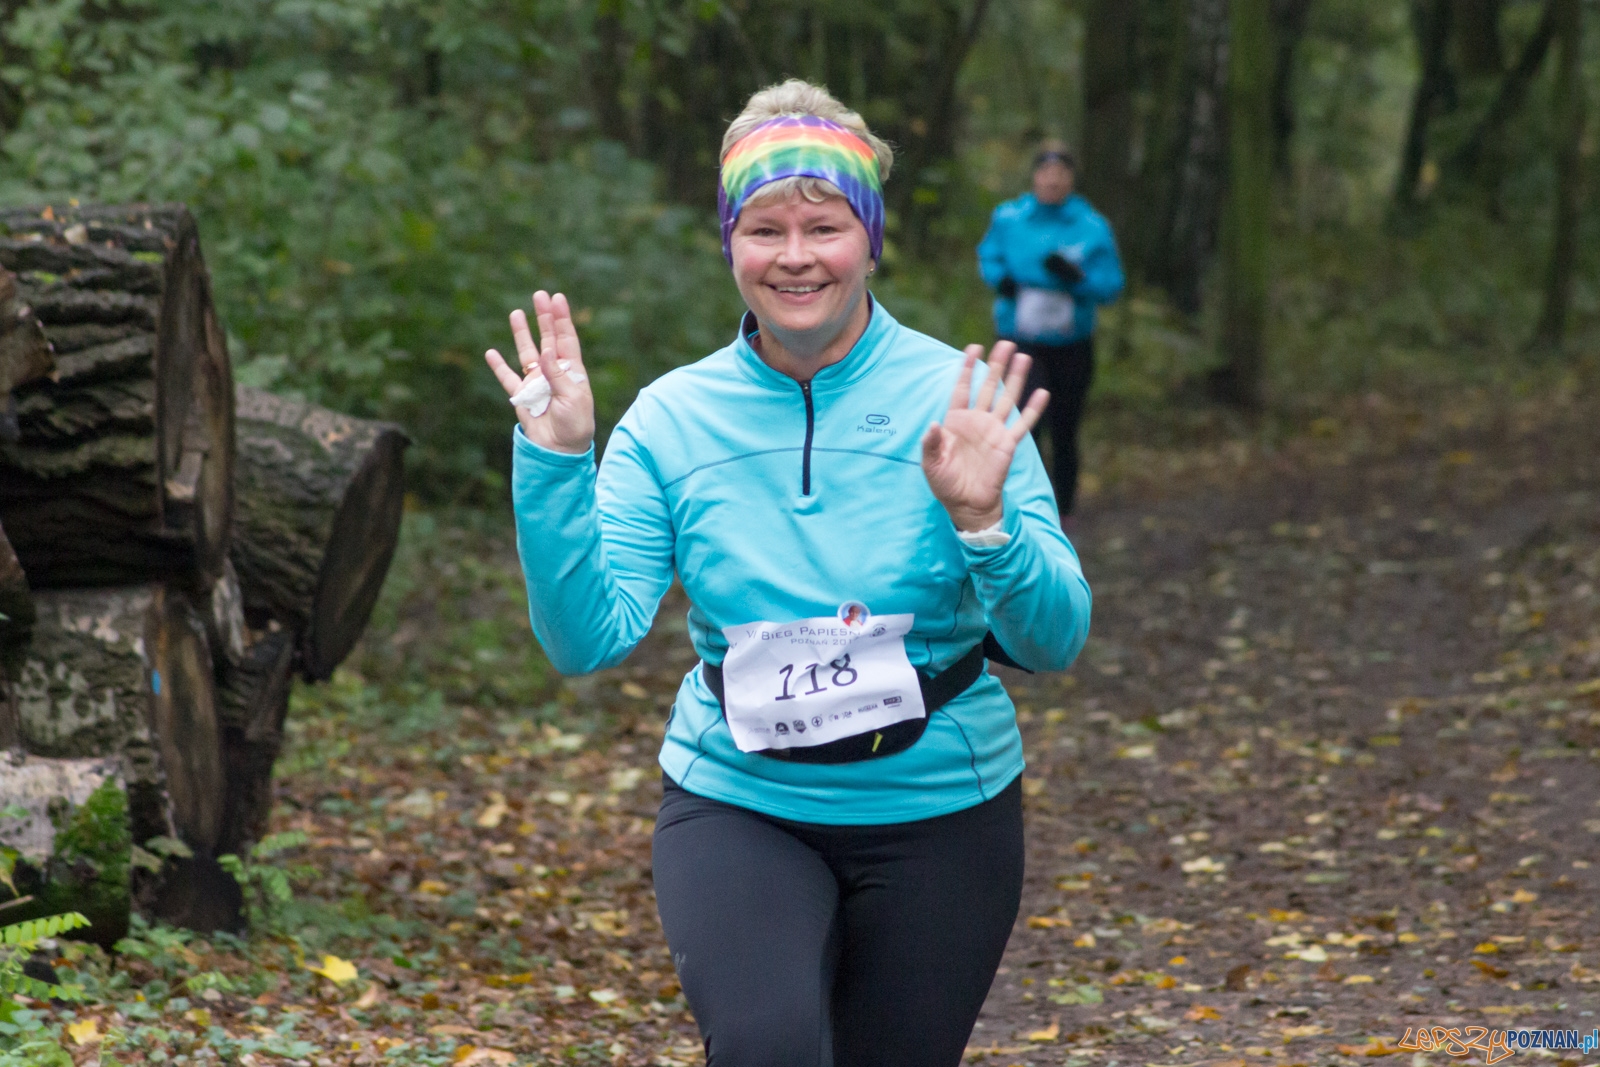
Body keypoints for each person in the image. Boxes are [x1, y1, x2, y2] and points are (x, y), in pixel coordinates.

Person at [485, 79, 1092, 1067]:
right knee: (766, 1044)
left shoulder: (958, 396)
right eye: (765, 229)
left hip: (942, 807)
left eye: (825, 226)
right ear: (731, 243)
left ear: (870, 239)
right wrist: (557, 463)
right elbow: (584, 638)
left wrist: (986, 524)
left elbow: (1055, 638)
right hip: (739, 797)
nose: (795, 255)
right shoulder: (673, 419)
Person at [977, 141, 1124, 517]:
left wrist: (1078, 280)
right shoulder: (1009, 218)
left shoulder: (1092, 226)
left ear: (1072, 179)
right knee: (1021, 424)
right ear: (1034, 176)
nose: (1053, 180)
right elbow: (989, 257)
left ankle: (1065, 510)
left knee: (1065, 427)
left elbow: (1111, 286)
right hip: (1019, 341)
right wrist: (1002, 280)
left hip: (1071, 344)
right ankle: (1024, 506)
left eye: (1061, 173)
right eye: (1046, 172)